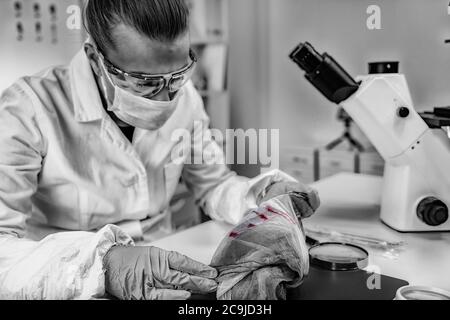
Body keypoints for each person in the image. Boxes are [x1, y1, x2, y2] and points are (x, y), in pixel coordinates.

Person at [0, 0, 320, 300]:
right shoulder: (28, 108)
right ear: (96, 58)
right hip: (66, 280)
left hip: (170, 260)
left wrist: (261, 198)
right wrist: (101, 266)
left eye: (177, 74)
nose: (166, 98)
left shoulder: (187, 96)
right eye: (143, 82)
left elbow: (213, 185)